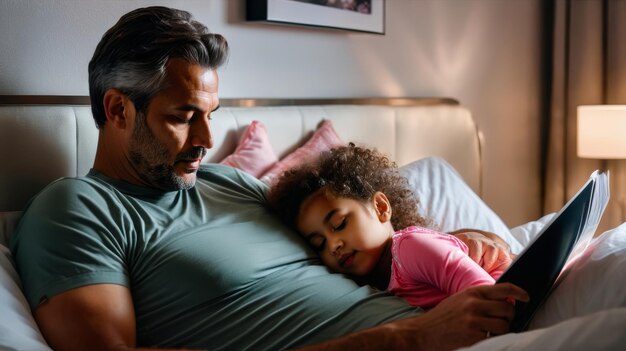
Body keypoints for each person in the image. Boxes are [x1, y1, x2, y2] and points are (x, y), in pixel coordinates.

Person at [9, 6, 527, 351]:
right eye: (183, 116)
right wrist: (408, 339)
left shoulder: (229, 184)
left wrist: (453, 247)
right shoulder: (76, 209)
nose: (207, 139)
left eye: (211, 113)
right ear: (118, 109)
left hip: (462, 326)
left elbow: (361, 251)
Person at [269, 144, 508, 309]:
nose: (333, 246)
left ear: (381, 207)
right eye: (319, 244)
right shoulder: (372, 287)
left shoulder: (410, 249)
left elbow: (487, 295)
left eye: (339, 224)